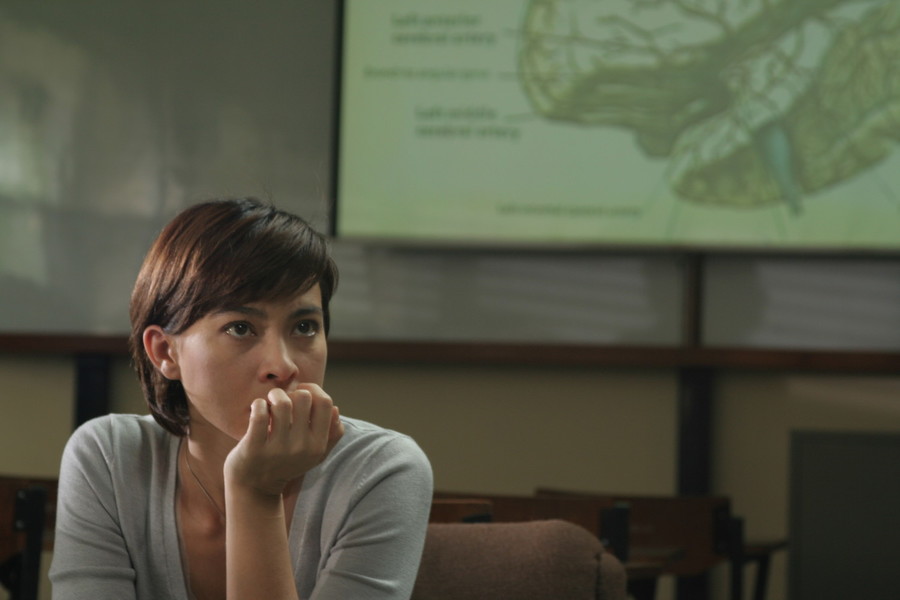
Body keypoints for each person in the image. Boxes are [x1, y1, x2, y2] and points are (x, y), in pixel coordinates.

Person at [49, 198, 434, 600]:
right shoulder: (109, 459)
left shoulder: (381, 471)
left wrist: (256, 493)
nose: (282, 366)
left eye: (305, 327)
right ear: (165, 352)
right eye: (240, 328)